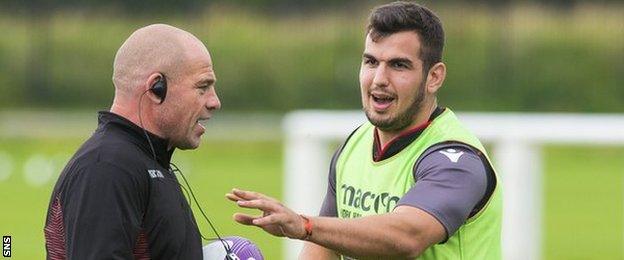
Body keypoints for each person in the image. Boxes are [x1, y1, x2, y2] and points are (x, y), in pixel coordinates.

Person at [227, 1, 501, 259]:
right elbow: (324, 250)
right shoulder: (354, 146)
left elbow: (407, 237)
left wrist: (304, 225)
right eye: (371, 62)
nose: (379, 79)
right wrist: (311, 232)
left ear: (434, 77)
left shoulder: (457, 160)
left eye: (398, 65)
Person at [43, 24, 221, 259]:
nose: (214, 101)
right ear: (157, 88)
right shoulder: (107, 167)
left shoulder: (143, 161)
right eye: (203, 87)